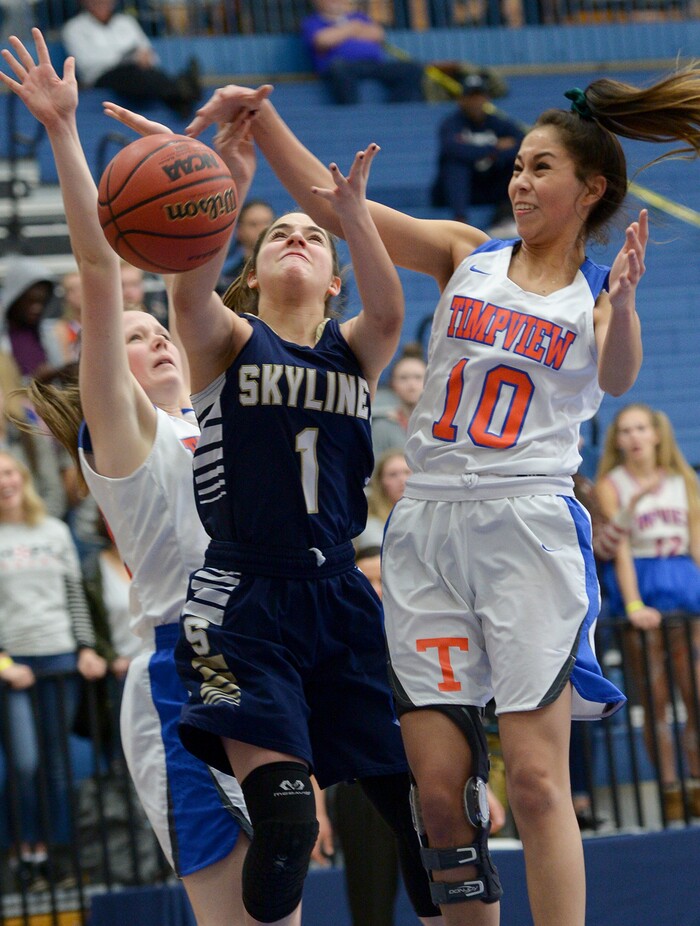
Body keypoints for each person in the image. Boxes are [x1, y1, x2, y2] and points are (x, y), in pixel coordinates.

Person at [183, 64, 700, 924]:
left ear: (590, 188)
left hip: (525, 521)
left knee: (534, 783)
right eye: (519, 165)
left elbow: (617, 372)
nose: (520, 179)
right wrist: (260, 119)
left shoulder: (598, 293)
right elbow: (333, 199)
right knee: (437, 801)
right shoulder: (470, 251)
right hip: (425, 525)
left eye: (540, 168)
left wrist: (632, 306)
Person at [102, 90, 445, 926]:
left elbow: (393, 306)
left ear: (333, 281)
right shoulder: (223, 340)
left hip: (336, 593)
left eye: (313, 238)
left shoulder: (355, 347)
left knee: (428, 822)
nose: (297, 235)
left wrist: (355, 217)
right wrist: (212, 187)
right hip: (243, 598)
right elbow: (186, 290)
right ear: (250, 272)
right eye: (277, 234)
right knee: (286, 826)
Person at [0, 30, 250, 924]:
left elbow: (200, 262)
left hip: (263, 653)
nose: (154, 339)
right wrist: (66, 134)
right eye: (138, 342)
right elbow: (105, 272)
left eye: (162, 334)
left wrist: (213, 170)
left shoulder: (217, 409)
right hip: (184, 670)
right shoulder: (125, 437)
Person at [0, 449, 107, 891]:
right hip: (15, 666)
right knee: (23, 763)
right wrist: (4, 664)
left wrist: (85, 647)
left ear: (21, 476)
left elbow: (74, 596)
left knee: (60, 766)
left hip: (61, 658)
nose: (4, 482)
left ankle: (61, 855)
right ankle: (27, 852)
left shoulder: (55, 531)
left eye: (7, 472)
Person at [596, 403, 700, 821]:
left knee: (694, 691)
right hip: (640, 580)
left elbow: (696, 541)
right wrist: (634, 602)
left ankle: (697, 781)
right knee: (655, 700)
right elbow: (617, 551)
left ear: (657, 434)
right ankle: (672, 790)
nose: (634, 437)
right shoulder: (612, 483)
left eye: (640, 428)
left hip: (683, 580)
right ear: (617, 440)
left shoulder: (683, 480)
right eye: (625, 430)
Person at [61, 0, 201, 119]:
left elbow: (149, 54)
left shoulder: (126, 22)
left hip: (139, 73)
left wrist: (143, 58)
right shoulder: (74, 28)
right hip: (103, 77)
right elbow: (86, 64)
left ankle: (180, 95)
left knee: (147, 73)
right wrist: (126, 58)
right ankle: (181, 93)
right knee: (133, 74)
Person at [430, 72, 524, 232]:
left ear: (487, 99)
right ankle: (460, 221)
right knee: (455, 165)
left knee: (517, 165)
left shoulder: (498, 123)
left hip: (489, 185)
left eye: (479, 96)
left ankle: (506, 216)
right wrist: (494, 148)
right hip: (457, 191)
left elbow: (522, 144)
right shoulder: (451, 123)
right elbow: (453, 150)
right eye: (471, 96)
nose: (476, 102)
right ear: (461, 100)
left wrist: (484, 153)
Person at [301, 0, 424, 105]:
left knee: (413, 68)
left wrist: (340, 33)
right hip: (343, 67)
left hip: (373, 65)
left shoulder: (359, 17)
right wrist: (354, 28)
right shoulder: (312, 21)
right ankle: (352, 112)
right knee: (339, 67)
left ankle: (396, 110)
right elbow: (324, 41)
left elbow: (378, 34)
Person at [0, 256, 63, 381]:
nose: (37, 308)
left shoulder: (48, 335)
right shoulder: (5, 338)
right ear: (15, 298)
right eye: (30, 301)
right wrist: (35, 381)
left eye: (42, 302)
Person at [372, 346, 426, 458]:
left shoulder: (439, 425)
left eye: (418, 377)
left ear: (429, 381)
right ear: (392, 384)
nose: (411, 385)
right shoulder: (381, 428)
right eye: (403, 378)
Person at [355, 447, 411, 550]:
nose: (402, 480)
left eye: (407, 472)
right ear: (381, 483)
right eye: (393, 475)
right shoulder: (371, 525)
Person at [216, 198, 275, 295]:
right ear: (239, 231)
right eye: (253, 224)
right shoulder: (228, 282)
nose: (262, 229)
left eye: (267, 223)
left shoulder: (290, 271)